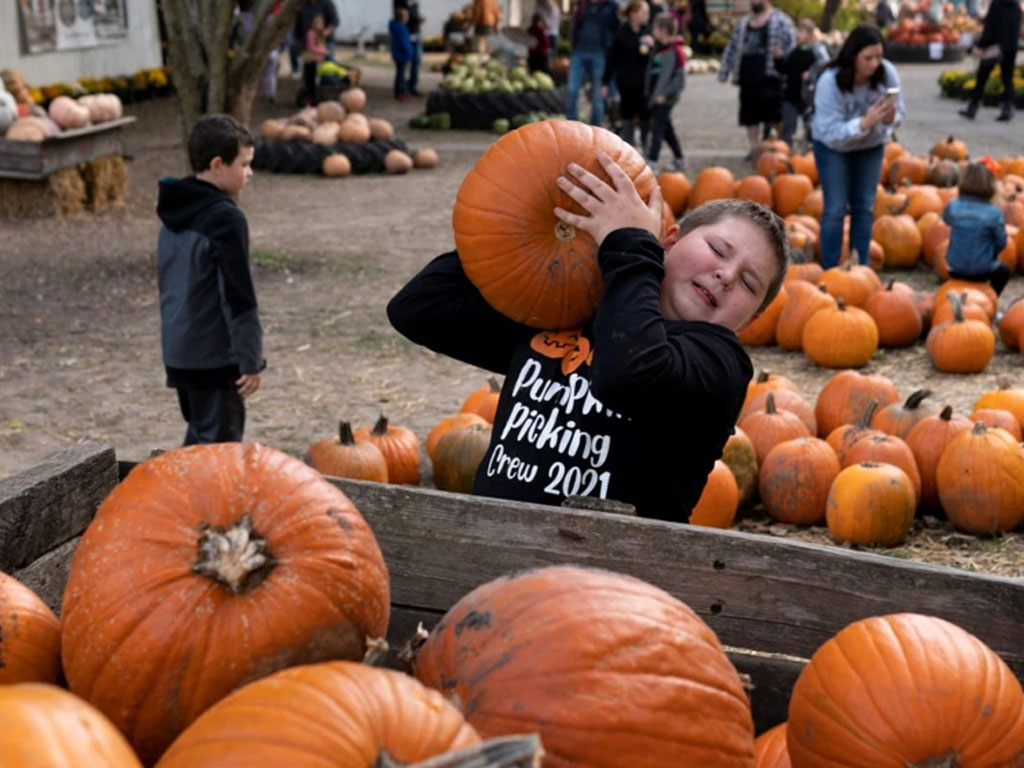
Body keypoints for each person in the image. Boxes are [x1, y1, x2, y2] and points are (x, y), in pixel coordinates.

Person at [387, 158, 788, 522]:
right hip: (495, 555)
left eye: (749, 283)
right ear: (669, 241)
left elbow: (628, 371)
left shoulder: (720, 365)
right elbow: (420, 308)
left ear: (750, 320)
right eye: (718, 250)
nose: (727, 275)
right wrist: (520, 230)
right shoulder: (567, 308)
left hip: (609, 584)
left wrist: (629, 244)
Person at [156, 115, 265, 446]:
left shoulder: (173, 213)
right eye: (244, 164)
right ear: (218, 164)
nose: (249, 173)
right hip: (214, 357)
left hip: (180, 352)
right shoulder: (225, 219)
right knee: (216, 454)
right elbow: (237, 294)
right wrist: (250, 358)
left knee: (201, 439)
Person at [810, 25, 904, 269]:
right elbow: (831, 132)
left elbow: (899, 114)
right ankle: (830, 268)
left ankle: (859, 265)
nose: (874, 64)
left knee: (864, 207)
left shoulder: (887, 74)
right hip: (833, 148)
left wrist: (890, 118)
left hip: (870, 147)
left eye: (878, 57)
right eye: (868, 58)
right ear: (853, 56)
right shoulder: (830, 82)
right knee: (835, 208)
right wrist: (862, 124)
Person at [718, 0, 796, 160]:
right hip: (748, 77)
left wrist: (785, 61)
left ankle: (778, 147)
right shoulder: (744, 23)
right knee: (750, 116)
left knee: (776, 115)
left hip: (771, 76)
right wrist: (724, 71)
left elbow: (792, 47)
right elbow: (731, 47)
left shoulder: (781, 21)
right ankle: (755, 149)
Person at [942, 159, 1010, 295]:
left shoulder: (953, 206)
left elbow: (946, 220)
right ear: (991, 185)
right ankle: (992, 298)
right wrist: (992, 252)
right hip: (982, 271)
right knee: (1004, 271)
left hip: (954, 268)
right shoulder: (994, 213)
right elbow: (1001, 242)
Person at [958, 0, 1021, 122]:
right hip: (1009, 48)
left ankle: (973, 107)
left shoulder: (997, 4)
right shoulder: (1016, 7)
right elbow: (1016, 29)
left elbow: (990, 28)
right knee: (1007, 79)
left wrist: (982, 45)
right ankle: (1007, 108)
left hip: (993, 47)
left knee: (982, 78)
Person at [602, 1, 652, 147]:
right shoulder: (621, 34)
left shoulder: (648, 32)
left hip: (645, 82)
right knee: (627, 114)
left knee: (645, 115)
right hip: (626, 82)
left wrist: (652, 46)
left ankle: (645, 144)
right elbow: (612, 59)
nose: (646, 16)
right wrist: (605, 82)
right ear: (633, 14)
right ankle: (629, 146)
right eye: (643, 13)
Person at [774, 18, 827, 150]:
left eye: (801, 32)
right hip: (791, 95)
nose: (797, 35)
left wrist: (811, 74)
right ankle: (786, 153)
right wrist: (778, 59)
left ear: (810, 34)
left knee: (810, 127)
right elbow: (785, 70)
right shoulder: (794, 51)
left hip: (807, 96)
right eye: (797, 31)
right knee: (788, 128)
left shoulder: (816, 51)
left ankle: (808, 152)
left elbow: (825, 67)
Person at [567, 0, 621, 125]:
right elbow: (576, 25)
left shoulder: (612, 7)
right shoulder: (582, 4)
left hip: (600, 54)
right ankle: (571, 127)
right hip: (579, 53)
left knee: (598, 95)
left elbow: (617, 30)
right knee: (572, 90)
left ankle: (596, 130)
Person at [645, 12, 687, 171]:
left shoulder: (676, 51)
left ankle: (652, 162)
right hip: (656, 96)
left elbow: (680, 79)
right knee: (667, 128)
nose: (652, 31)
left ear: (663, 30)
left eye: (655, 28)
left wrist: (666, 94)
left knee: (657, 128)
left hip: (665, 98)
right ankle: (680, 158)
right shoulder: (657, 48)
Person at [395, 0, 426, 96]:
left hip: (415, 33)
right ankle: (401, 89)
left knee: (416, 61)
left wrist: (418, 19)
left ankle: (411, 86)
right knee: (403, 65)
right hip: (407, 34)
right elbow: (400, 15)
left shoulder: (415, 3)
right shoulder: (400, 2)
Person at [301, 13, 328, 105]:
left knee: (317, 81)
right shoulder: (310, 34)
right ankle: (309, 99)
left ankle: (314, 98)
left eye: (320, 23)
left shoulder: (320, 35)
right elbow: (311, 47)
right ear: (312, 23)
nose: (318, 25)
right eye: (316, 23)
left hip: (318, 61)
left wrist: (324, 51)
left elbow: (323, 46)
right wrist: (323, 52)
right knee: (309, 81)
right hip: (310, 60)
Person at [390, 8, 414, 101]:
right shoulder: (401, 28)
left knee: (400, 73)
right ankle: (400, 92)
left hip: (398, 54)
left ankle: (400, 90)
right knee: (401, 75)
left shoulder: (396, 27)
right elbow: (404, 42)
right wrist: (409, 53)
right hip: (402, 55)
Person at [536, 0, 562, 68]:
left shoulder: (540, 9)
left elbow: (547, 24)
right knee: (551, 56)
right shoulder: (556, 8)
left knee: (545, 57)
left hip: (546, 35)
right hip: (554, 34)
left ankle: (547, 70)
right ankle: (550, 71)